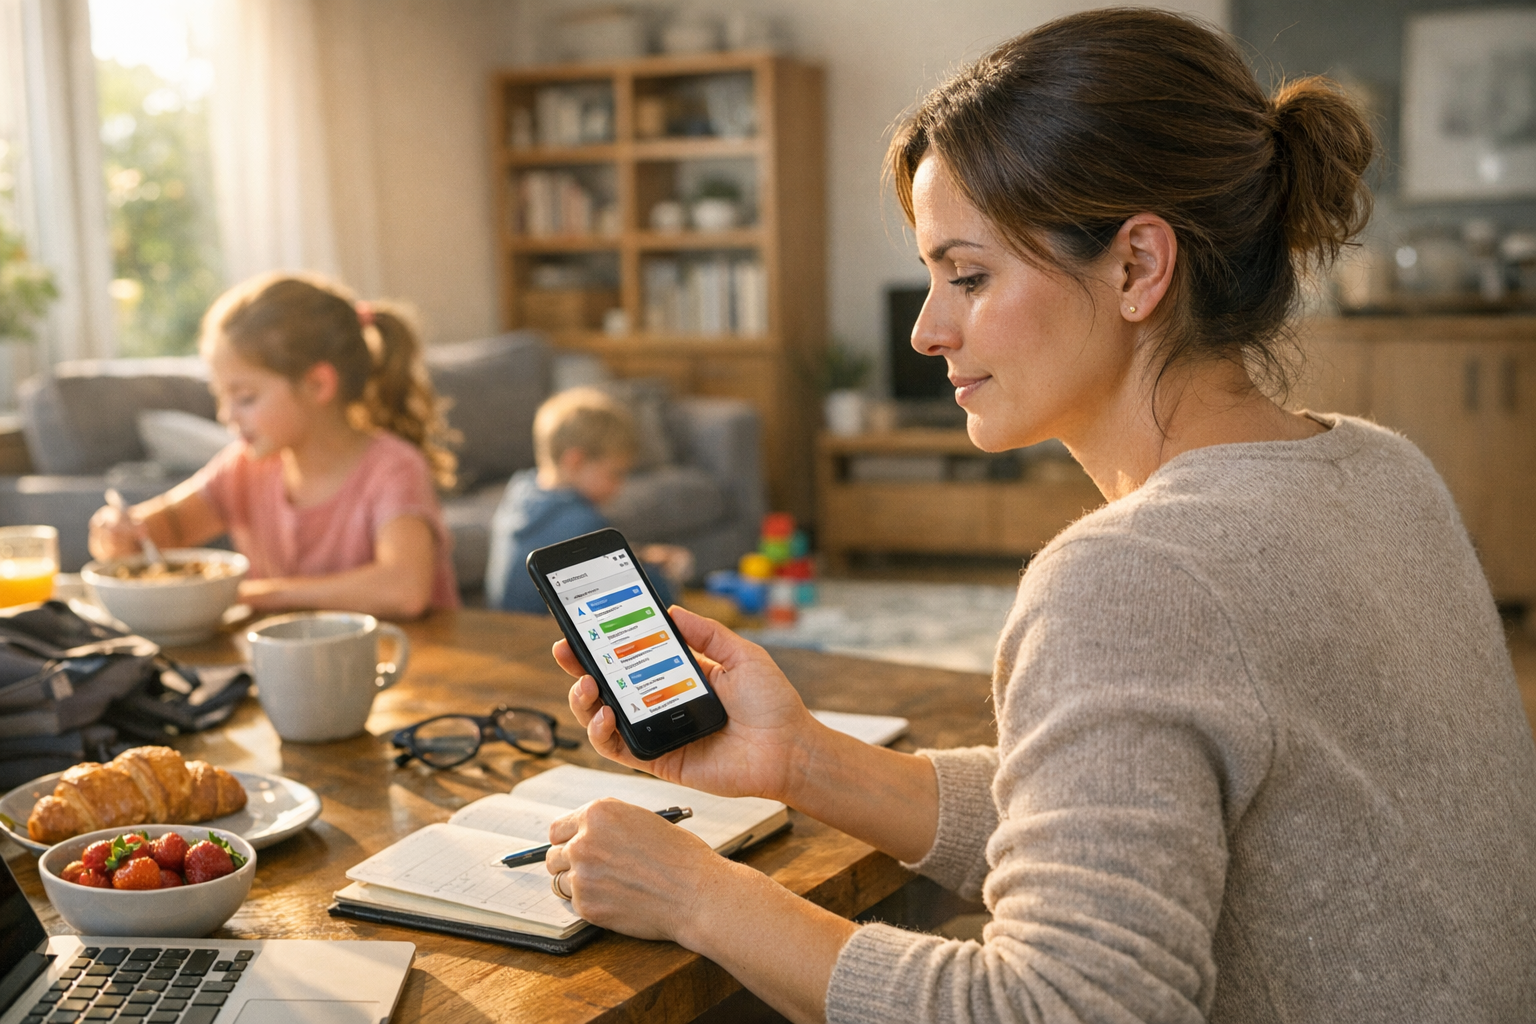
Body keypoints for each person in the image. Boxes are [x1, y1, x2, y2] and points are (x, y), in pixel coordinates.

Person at [536, 10, 1536, 1024]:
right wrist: (802, 760)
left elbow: (1059, 1010)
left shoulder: (1136, 576)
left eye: (968, 274)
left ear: (1139, 267)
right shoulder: (1382, 467)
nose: (929, 328)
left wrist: (698, 894)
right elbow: (1118, 830)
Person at [88, 272, 460, 619]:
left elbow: (404, 590)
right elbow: (163, 530)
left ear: (317, 385)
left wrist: (251, 595)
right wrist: (121, 535)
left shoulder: (393, 467)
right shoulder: (244, 467)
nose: (226, 415)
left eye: (245, 397)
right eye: (222, 396)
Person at [485, 386, 693, 613]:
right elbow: (647, 596)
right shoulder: (585, 523)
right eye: (615, 473)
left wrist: (640, 555)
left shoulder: (520, 491)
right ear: (575, 461)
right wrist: (667, 577)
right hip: (551, 638)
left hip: (507, 626)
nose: (620, 486)